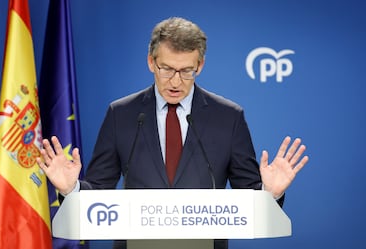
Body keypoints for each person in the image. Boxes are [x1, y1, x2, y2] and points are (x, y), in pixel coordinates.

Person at [37, 17, 309, 249]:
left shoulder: (229, 117)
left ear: (200, 66)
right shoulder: (122, 114)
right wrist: (70, 189)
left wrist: (269, 193)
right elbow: (97, 194)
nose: (176, 81)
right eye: (167, 69)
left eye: (186, 71)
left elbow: (249, 199)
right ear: (151, 62)